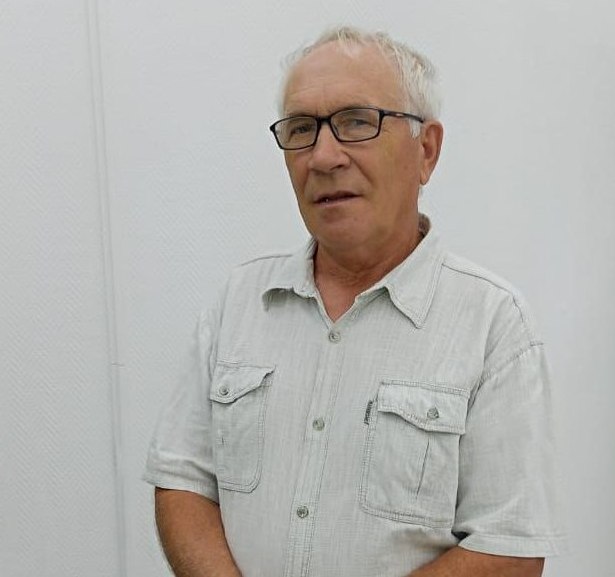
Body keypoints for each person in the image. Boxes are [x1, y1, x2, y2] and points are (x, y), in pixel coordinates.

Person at [144, 26, 565, 577]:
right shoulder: (239, 301)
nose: (322, 156)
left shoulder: (493, 324)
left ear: (427, 151)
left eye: (357, 122)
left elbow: (507, 550)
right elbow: (182, 482)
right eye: (301, 128)